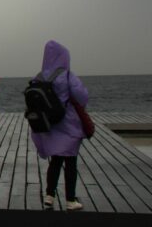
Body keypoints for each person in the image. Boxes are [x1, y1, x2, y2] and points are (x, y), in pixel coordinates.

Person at [31, 40, 89, 211]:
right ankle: (70, 200)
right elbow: (82, 96)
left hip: (51, 126)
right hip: (69, 125)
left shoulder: (39, 77)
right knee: (71, 163)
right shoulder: (68, 76)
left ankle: (49, 195)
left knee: (55, 162)